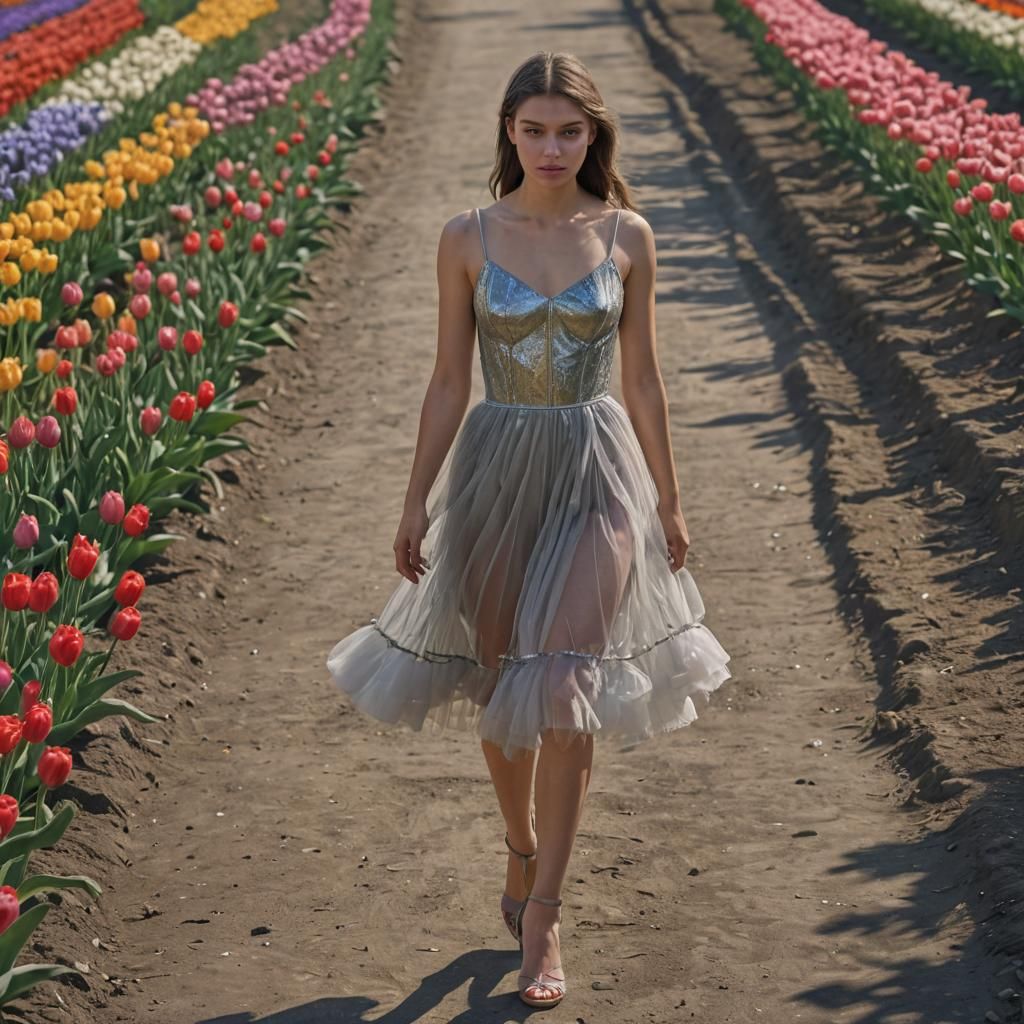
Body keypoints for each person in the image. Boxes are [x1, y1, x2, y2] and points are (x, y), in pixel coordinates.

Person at [326, 50, 731, 1010]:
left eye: (571, 131)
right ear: (509, 130)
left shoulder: (627, 233)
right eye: (536, 129)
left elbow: (642, 381)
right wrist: (413, 497)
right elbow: (447, 381)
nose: (553, 147)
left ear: (595, 137)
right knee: (503, 680)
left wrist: (669, 500)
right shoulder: (466, 236)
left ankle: (544, 914)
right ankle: (519, 849)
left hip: (599, 472)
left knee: (564, 681)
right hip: (497, 468)